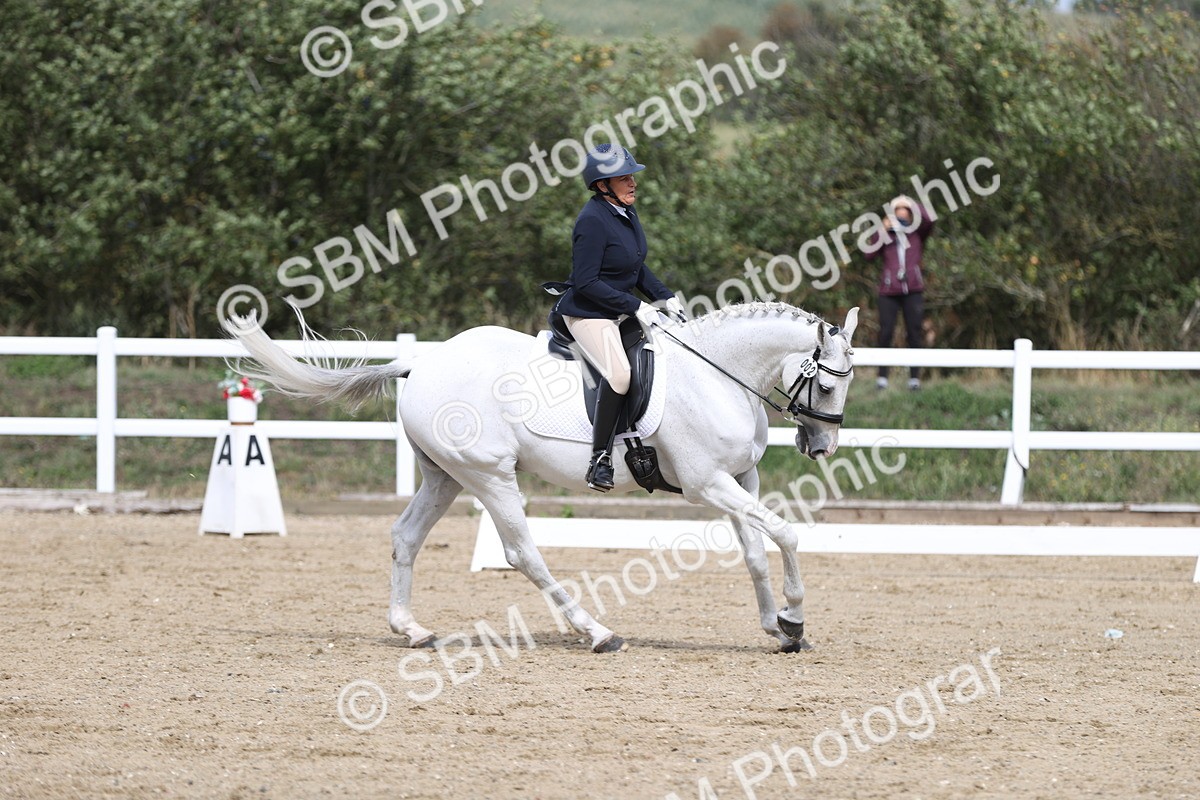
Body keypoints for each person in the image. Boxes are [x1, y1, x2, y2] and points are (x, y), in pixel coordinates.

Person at [551, 144, 687, 492]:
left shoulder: (625, 213)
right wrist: (636, 306)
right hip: (588, 313)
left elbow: (636, 267)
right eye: (623, 178)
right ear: (601, 185)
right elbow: (586, 281)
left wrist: (665, 298)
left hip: (618, 310)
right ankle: (600, 459)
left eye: (631, 176)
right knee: (621, 375)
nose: (632, 183)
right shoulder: (592, 221)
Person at [864, 195, 935, 391]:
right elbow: (868, 254)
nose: (902, 212)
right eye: (898, 209)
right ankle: (882, 378)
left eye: (906, 210)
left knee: (914, 332)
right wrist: (882, 229)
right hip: (889, 291)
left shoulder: (917, 233)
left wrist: (912, 203)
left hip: (913, 290)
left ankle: (914, 379)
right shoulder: (887, 235)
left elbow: (930, 219)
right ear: (892, 213)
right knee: (886, 332)